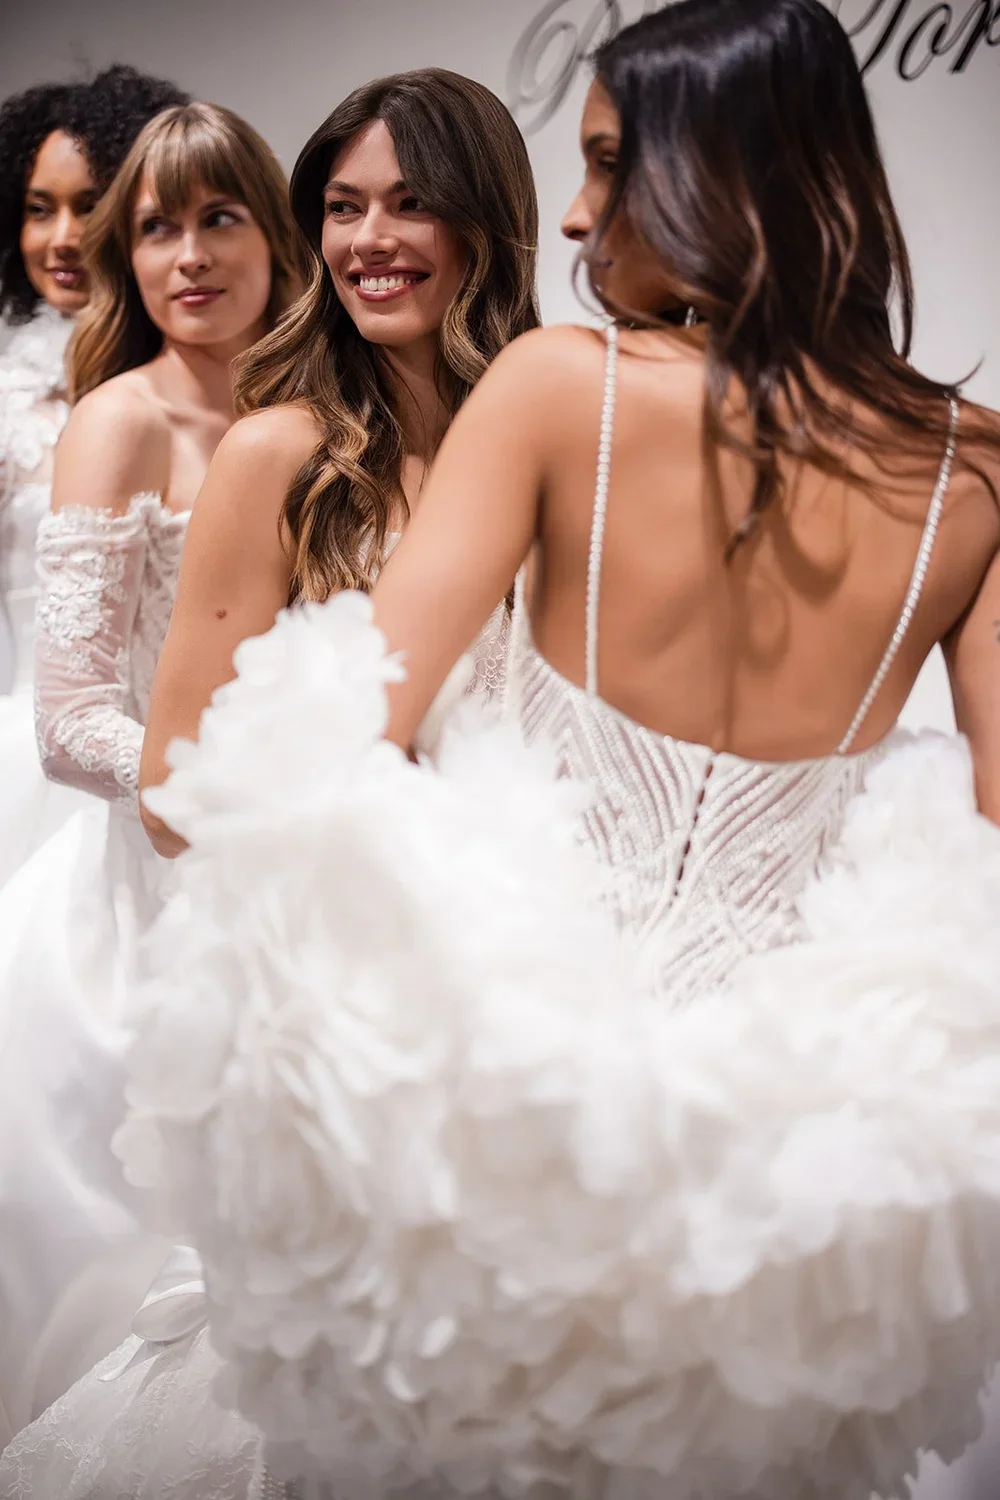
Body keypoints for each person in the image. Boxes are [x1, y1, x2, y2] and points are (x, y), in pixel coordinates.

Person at [63, 1, 1000, 1497]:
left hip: (518, 1092)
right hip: (792, 1162)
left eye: (613, 165)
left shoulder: (567, 389)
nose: (579, 213)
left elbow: (339, 734)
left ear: (727, 170)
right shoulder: (976, 465)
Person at [0, 67, 539, 1495]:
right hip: (245, 907)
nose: (186, 259)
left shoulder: (539, 428)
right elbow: (138, 748)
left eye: (409, 202)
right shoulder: (254, 445)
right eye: (346, 205)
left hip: (508, 949)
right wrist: (341, 843)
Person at [0, 98, 303, 1445]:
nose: (188, 256)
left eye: (219, 218)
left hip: (303, 883)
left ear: (273, 236)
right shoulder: (113, 423)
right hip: (139, 890)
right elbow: (68, 723)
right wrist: (229, 802)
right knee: (129, 1252)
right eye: (158, 228)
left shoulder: (320, 412)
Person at [138, 66, 539, 858]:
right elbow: (168, 793)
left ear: (486, 219)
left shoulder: (556, 450)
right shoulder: (273, 456)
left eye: (412, 202)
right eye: (342, 209)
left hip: (542, 927)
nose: (369, 239)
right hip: (350, 934)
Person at [0, 65, 189, 889]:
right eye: (40, 208)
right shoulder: (8, 400)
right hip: (30, 763)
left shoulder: (208, 385)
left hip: (183, 752)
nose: (62, 237)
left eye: (90, 204)